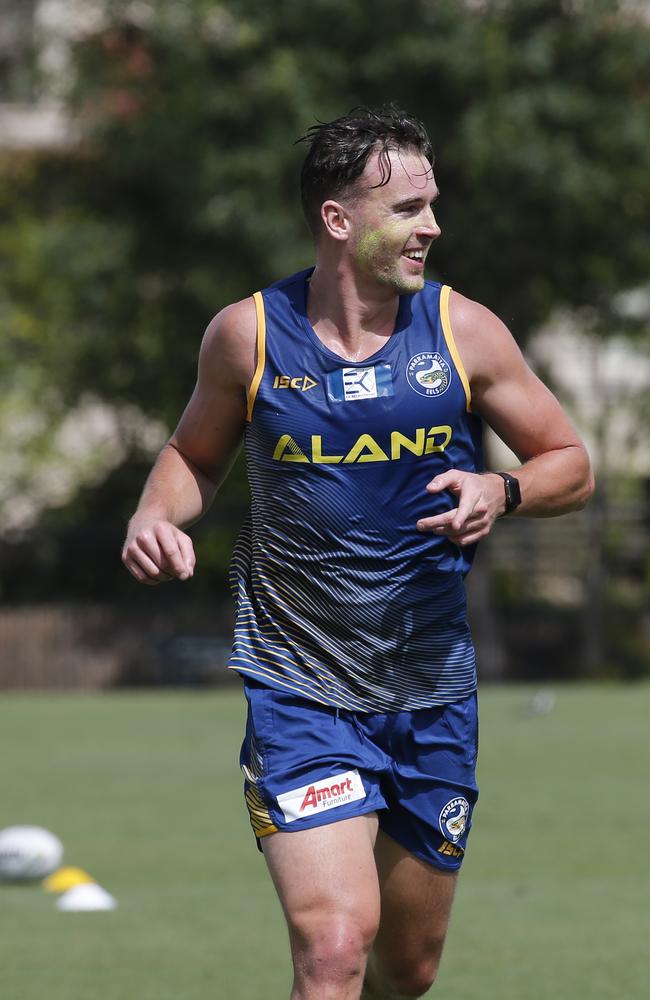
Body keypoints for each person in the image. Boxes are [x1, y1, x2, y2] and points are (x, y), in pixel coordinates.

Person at [122, 105, 593, 999]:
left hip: (431, 693)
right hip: (300, 689)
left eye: (431, 204)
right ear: (339, 221)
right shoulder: (249, 336)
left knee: (404, 971)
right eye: (409, 208)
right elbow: (193, 457)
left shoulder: (465, 333)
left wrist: (502, 489)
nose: (433, 226)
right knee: (335, 946)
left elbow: (569, 463)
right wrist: (156, 514)